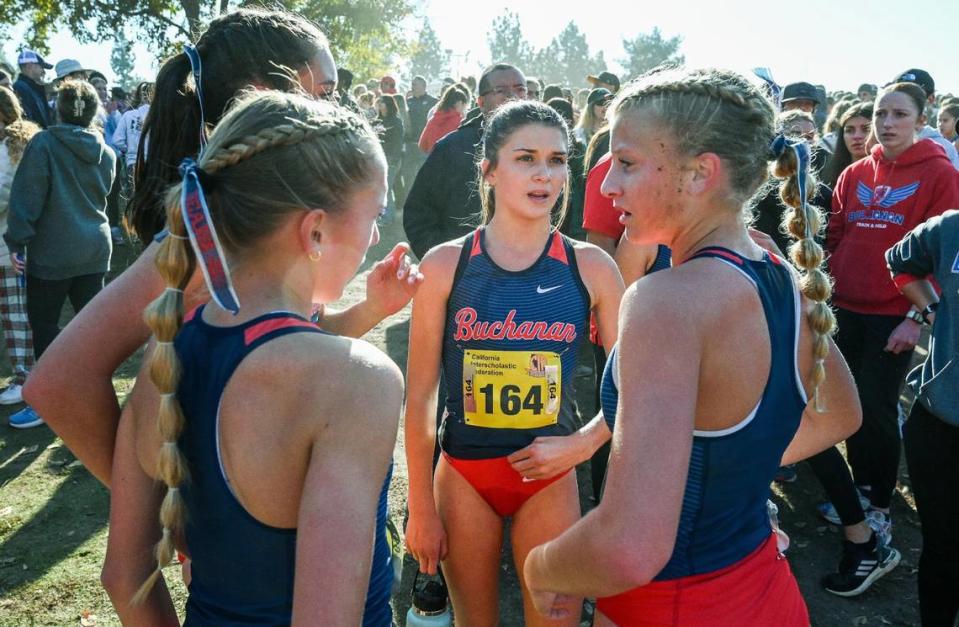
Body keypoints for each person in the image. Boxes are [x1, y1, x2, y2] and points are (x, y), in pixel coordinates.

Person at [22, 8, 421, 488]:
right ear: (262, 97)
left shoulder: (284, 226)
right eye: (325, 93)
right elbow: (58, 382)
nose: (341, 114)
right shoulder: (207, 239)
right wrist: (158, 511)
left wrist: (373, 307)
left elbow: (299, 333)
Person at [521, 67, 863, 625]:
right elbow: (839, 416)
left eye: (626, 164)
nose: (607, 186)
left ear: (702, 172)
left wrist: (539, 568)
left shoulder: (667, 301)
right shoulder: (777, 267)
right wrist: (729, 478)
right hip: (764, 587)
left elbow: (629, 546)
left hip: (675, 601)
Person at [101, 90, 403, 626]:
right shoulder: (355, 379)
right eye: (375, 215)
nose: (377, 237)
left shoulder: (165, 351)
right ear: (314, 231)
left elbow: (123, 578)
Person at [404, 100, 623, 626]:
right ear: (489, 169)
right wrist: (419, 505)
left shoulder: (591, 266)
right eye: (525, 158)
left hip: (549, 478)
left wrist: (581, 444)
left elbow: (631, 383)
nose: (544, 174)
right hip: (463, 474)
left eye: (556, 159)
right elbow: (421, 397)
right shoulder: (444, 265)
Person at [813, 80, 959, 593]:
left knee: (875, 410)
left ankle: (877, 510)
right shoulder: (855, 172)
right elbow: (834, 237)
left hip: (893, 318)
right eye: (881, 114)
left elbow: (943, 258)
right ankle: (858, 487)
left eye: (900, 114)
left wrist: (915, 319)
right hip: (841, 311)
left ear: (922, 119)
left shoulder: (940, 174)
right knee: (842, 404)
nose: (887, 123)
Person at [4, 80, 116, 428]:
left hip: (53, 252)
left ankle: (48, 401)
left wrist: (16, 241)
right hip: (95, 248)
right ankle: (99, 397)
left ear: (58, 107)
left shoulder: (44, 144)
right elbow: (106, 194)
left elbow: (27, 197)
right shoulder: (106, 151)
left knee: (44, 325)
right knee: (93, 326)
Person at [886, 211, 959, 627]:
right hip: (939, 422)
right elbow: (899, 262)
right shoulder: (949, 229)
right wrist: (931, 310)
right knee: (944, 548)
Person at [403, 62, 528, 259]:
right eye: (500, 90)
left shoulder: (548, 150)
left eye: (520, 89)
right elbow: (418, 213)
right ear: (480, 102)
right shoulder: (452, 148)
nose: (513, 96)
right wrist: (448, 261)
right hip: (466, 274)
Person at [0, 87, 39, 409]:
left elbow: (6, 191)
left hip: (9, 245)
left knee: (16, 314)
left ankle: (25, 376)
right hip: (11, 243)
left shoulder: (13, 146)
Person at [891, 69, 959, 169]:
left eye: (911, 95)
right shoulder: (881, 140)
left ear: (931, 99)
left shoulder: (944, 148)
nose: (902, 100)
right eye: (896, 94)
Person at [113, 82, 152, 223]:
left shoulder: (128, 115)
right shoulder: (159, 115)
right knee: (151, 197)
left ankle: (135, 228)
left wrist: (129, 150)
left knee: (134, 197)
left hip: (133, 162)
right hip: (152, 162)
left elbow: (117, 140)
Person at [821, 101, 872, 188]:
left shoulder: (891, 173)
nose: (857, 136)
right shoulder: (828, 172)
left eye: (866, 129)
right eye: (849, 130)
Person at [376, 94, 404, 224]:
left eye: (382, 102)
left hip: (391, 159)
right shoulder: (377, 121)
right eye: (379, 102)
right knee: (380, 188)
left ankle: (388, 217)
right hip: (378, 158)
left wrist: (394, 159)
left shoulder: (396, 121)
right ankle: (382, 215)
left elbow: (398, 142)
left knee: (386, 188)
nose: (379, 104)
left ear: (389, 104)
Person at [418, 83, 468, 154]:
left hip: (433, 160)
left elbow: (422, 145)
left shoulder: (433, 118)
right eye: (464, 106)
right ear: (459, 103)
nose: (464, 110)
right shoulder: (460, 122)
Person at [12, 49, 53, 128]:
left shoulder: (31, 89)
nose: (43, 71)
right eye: (41, 66)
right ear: (29, 66)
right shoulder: (20, 88)